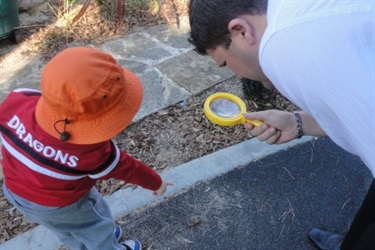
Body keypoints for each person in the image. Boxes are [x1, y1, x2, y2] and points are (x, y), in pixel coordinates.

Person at [188, 0, 374, 249]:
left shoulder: (281, 50)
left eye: (225, 63)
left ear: (241, 31)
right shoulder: (290, 10)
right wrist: (299, 123)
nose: (238, 74)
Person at [0, 47, 173, 250]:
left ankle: (82, 245)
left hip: (17, 194)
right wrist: (156, 182)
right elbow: (127, 168)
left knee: (65, 230)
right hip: (65, 205)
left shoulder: (18, 100)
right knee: (96, 227)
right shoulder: (91, 153)